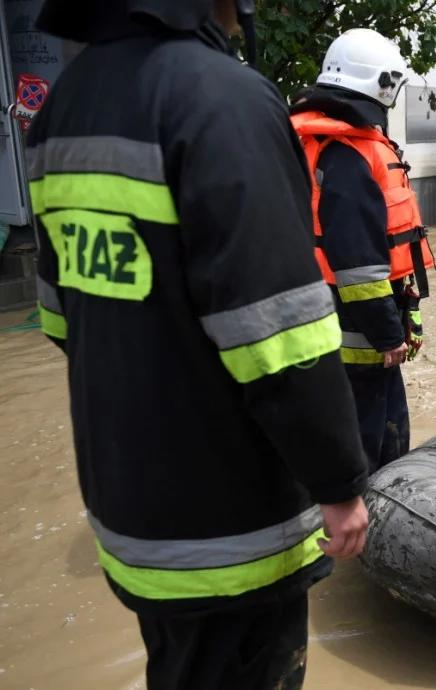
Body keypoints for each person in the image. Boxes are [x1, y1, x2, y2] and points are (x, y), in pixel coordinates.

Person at [29, 0, 370, 687]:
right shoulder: (223, 98)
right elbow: (282, 338)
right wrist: (339, 484)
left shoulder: (64, 106)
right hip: (232, 524)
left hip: (131, 511)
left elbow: (61, 318)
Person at [291, 29, 436, 474]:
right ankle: (367, 530)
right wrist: (388, 334)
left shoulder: (312, 141)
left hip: (322, 316)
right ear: (383, 84)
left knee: (352, 434)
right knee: (372, 447)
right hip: (357, 331)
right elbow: (358, 264)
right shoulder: (348, 153)